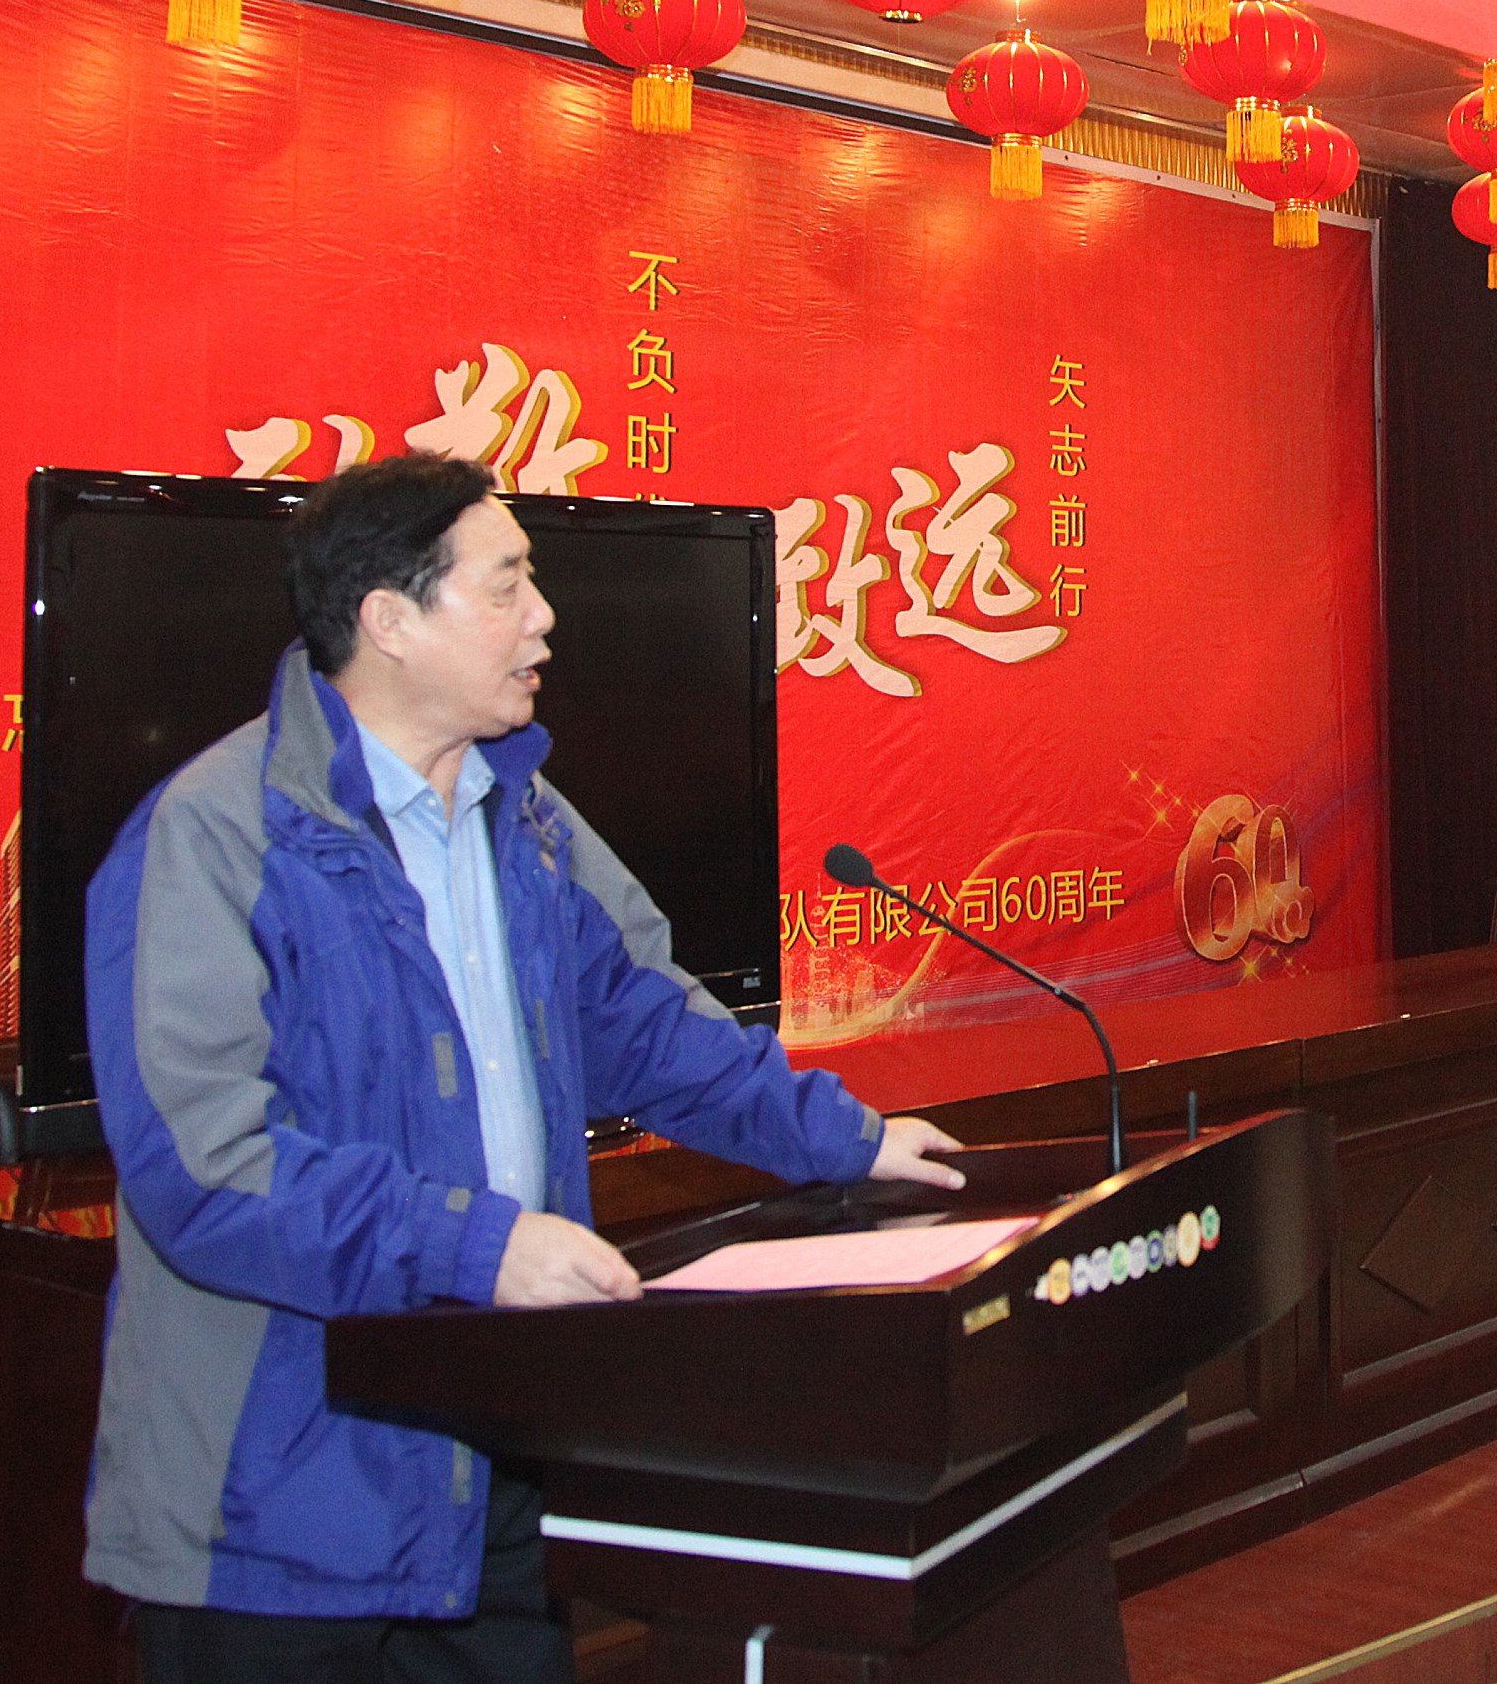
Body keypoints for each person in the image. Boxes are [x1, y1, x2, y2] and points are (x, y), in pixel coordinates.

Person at [84, 455, 973, 1681]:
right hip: (279, 1494)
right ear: (389, 620)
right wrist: (478, 1248)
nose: (544, 618)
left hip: (493, 1454)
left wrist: (847, 1139)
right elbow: (207, 1170)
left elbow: (645, 1026)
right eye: (505, 587)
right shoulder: (216, 836)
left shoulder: (528, 819)